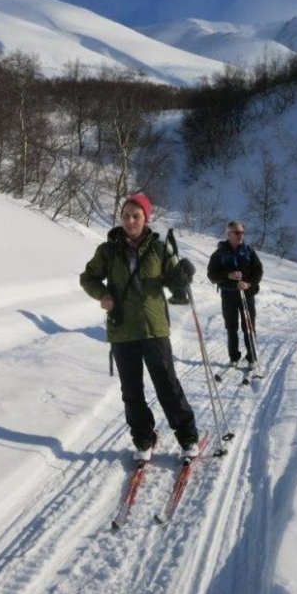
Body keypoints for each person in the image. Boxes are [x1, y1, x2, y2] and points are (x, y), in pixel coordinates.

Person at [80, 192, 200, 461]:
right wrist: (103, 295)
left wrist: (182, 276)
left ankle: (187, 435)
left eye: (136, 216)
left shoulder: (159, 248)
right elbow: (87, 277)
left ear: (146, 218)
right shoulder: (108, 250)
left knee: (167, 385)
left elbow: (174, 283)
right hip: (122, 330)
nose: (130, 220)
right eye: (126, 216)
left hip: (154, 328)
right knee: (131, 390)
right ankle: (144, 437)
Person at [206, 220, 264, 368]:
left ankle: (252, 357)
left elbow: (258, 271)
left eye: (242, 232)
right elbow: (212, 275)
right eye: (237, 232)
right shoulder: (219, 253)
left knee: (248, 327)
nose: (240, 235)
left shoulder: (249, 251)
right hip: (228, 295)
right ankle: (234, 357)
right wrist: (228, 275)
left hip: (247, 294)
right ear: (229, 234)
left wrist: (249, 283)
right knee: (231, 327)